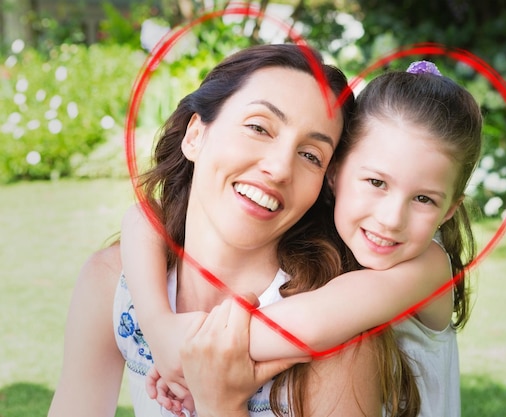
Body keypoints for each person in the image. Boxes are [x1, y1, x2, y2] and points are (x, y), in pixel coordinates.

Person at [47, 43, 412, 417]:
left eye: (310, 155)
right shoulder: (115, 284)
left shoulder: (339, 336)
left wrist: (220, 405)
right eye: (258, 127)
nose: (280, 168)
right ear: (195, 135)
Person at [123, 60, 483, 417]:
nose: (391, 219)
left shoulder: (429, 268)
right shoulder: (334, 239)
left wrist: (192, 349)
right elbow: (145, 217)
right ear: (334, 174)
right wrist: (159, 327)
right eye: (376, 183)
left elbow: (312, 324)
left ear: (450, 209)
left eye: (424, 199)